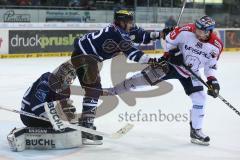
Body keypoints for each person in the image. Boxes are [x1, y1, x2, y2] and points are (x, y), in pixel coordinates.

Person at [102, 16, 223, 146]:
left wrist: (212, 80)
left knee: (200, 98)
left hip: (190, 72)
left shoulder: (216, 46)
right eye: (196, 28)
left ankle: (196, 131)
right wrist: (172, 52)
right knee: (140, 80)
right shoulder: (186, 30)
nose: (196, 31)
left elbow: (211, 66)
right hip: (170, 65)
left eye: (200, 30)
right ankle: (114, 91)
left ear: (208, 31)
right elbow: (167, 40)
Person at [71, 8, 172, 141]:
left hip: (88, 57)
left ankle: (86, 121)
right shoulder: (118, 33)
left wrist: (161, 34)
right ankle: (86, 125)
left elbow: (142, 35)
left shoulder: (124, 29)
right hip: (83, 57)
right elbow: (132, 53)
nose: (132, 25)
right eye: (129, 22)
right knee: (93, 90)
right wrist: (152, 60)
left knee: (93, 89)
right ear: (121, 22)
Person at [7, 61, 82, 151]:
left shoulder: (66, 89)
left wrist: (67, 114)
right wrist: (56, 118)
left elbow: (62, 108)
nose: (70, 81)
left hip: (44, 114)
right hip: (29, 115)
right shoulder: (47, 81)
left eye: (72, 78)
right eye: (68, 77)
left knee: (70, 110)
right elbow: (36, 107)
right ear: (62, 74)